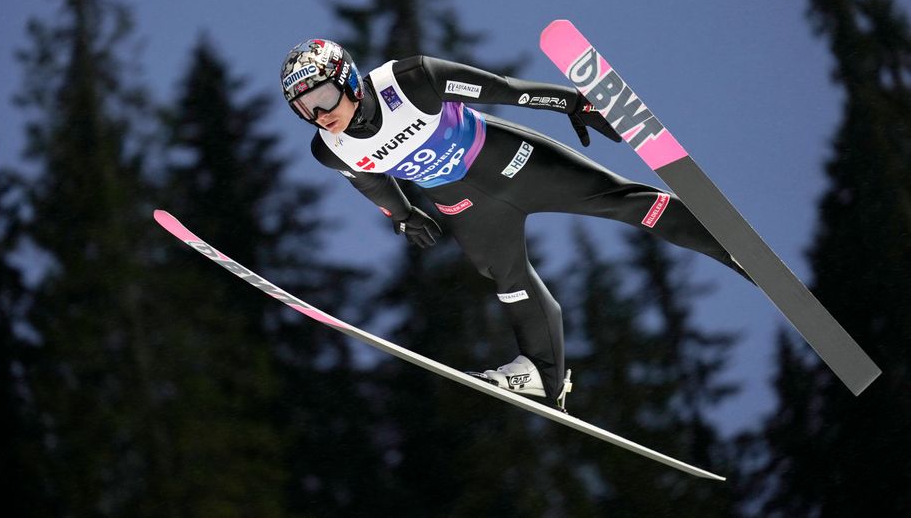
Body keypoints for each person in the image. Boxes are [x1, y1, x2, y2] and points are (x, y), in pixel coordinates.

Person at [281, 38, 749, 409]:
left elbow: (506, 90)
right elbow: (369, 181)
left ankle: (727, 245)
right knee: (506, 278)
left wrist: (571, 102)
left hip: (515, 165)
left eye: (322, 97)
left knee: (619, 201)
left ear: (347, 79)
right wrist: (402, 215)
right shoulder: (329, 148)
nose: (320, 115)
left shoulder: (410, 80)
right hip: (465, 205)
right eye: (305, 109)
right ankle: (544, 377)